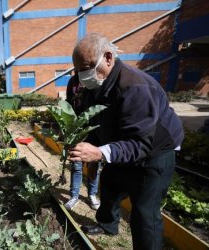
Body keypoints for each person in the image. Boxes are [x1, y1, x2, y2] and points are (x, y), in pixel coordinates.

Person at [68, 32, 184, 250]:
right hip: (123, 142)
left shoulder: (136, 87)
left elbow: (141, 143)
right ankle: (107, 225)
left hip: (155, 151)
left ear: (109, 58)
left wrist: (100, 153)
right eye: (79, 70)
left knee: (144, 211)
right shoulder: (97, 85)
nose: (83, 75)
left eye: (88, 67)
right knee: (110, 184)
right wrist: (93, 153)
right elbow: (98, 123)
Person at [64, 74, 100, 211]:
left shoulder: (94, 79)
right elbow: (68, 102)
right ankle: (74, 196)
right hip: (78, 129)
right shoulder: (73, 81)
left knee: (94, 165)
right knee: (76, 165)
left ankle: (92, 195)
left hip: (94, 130)